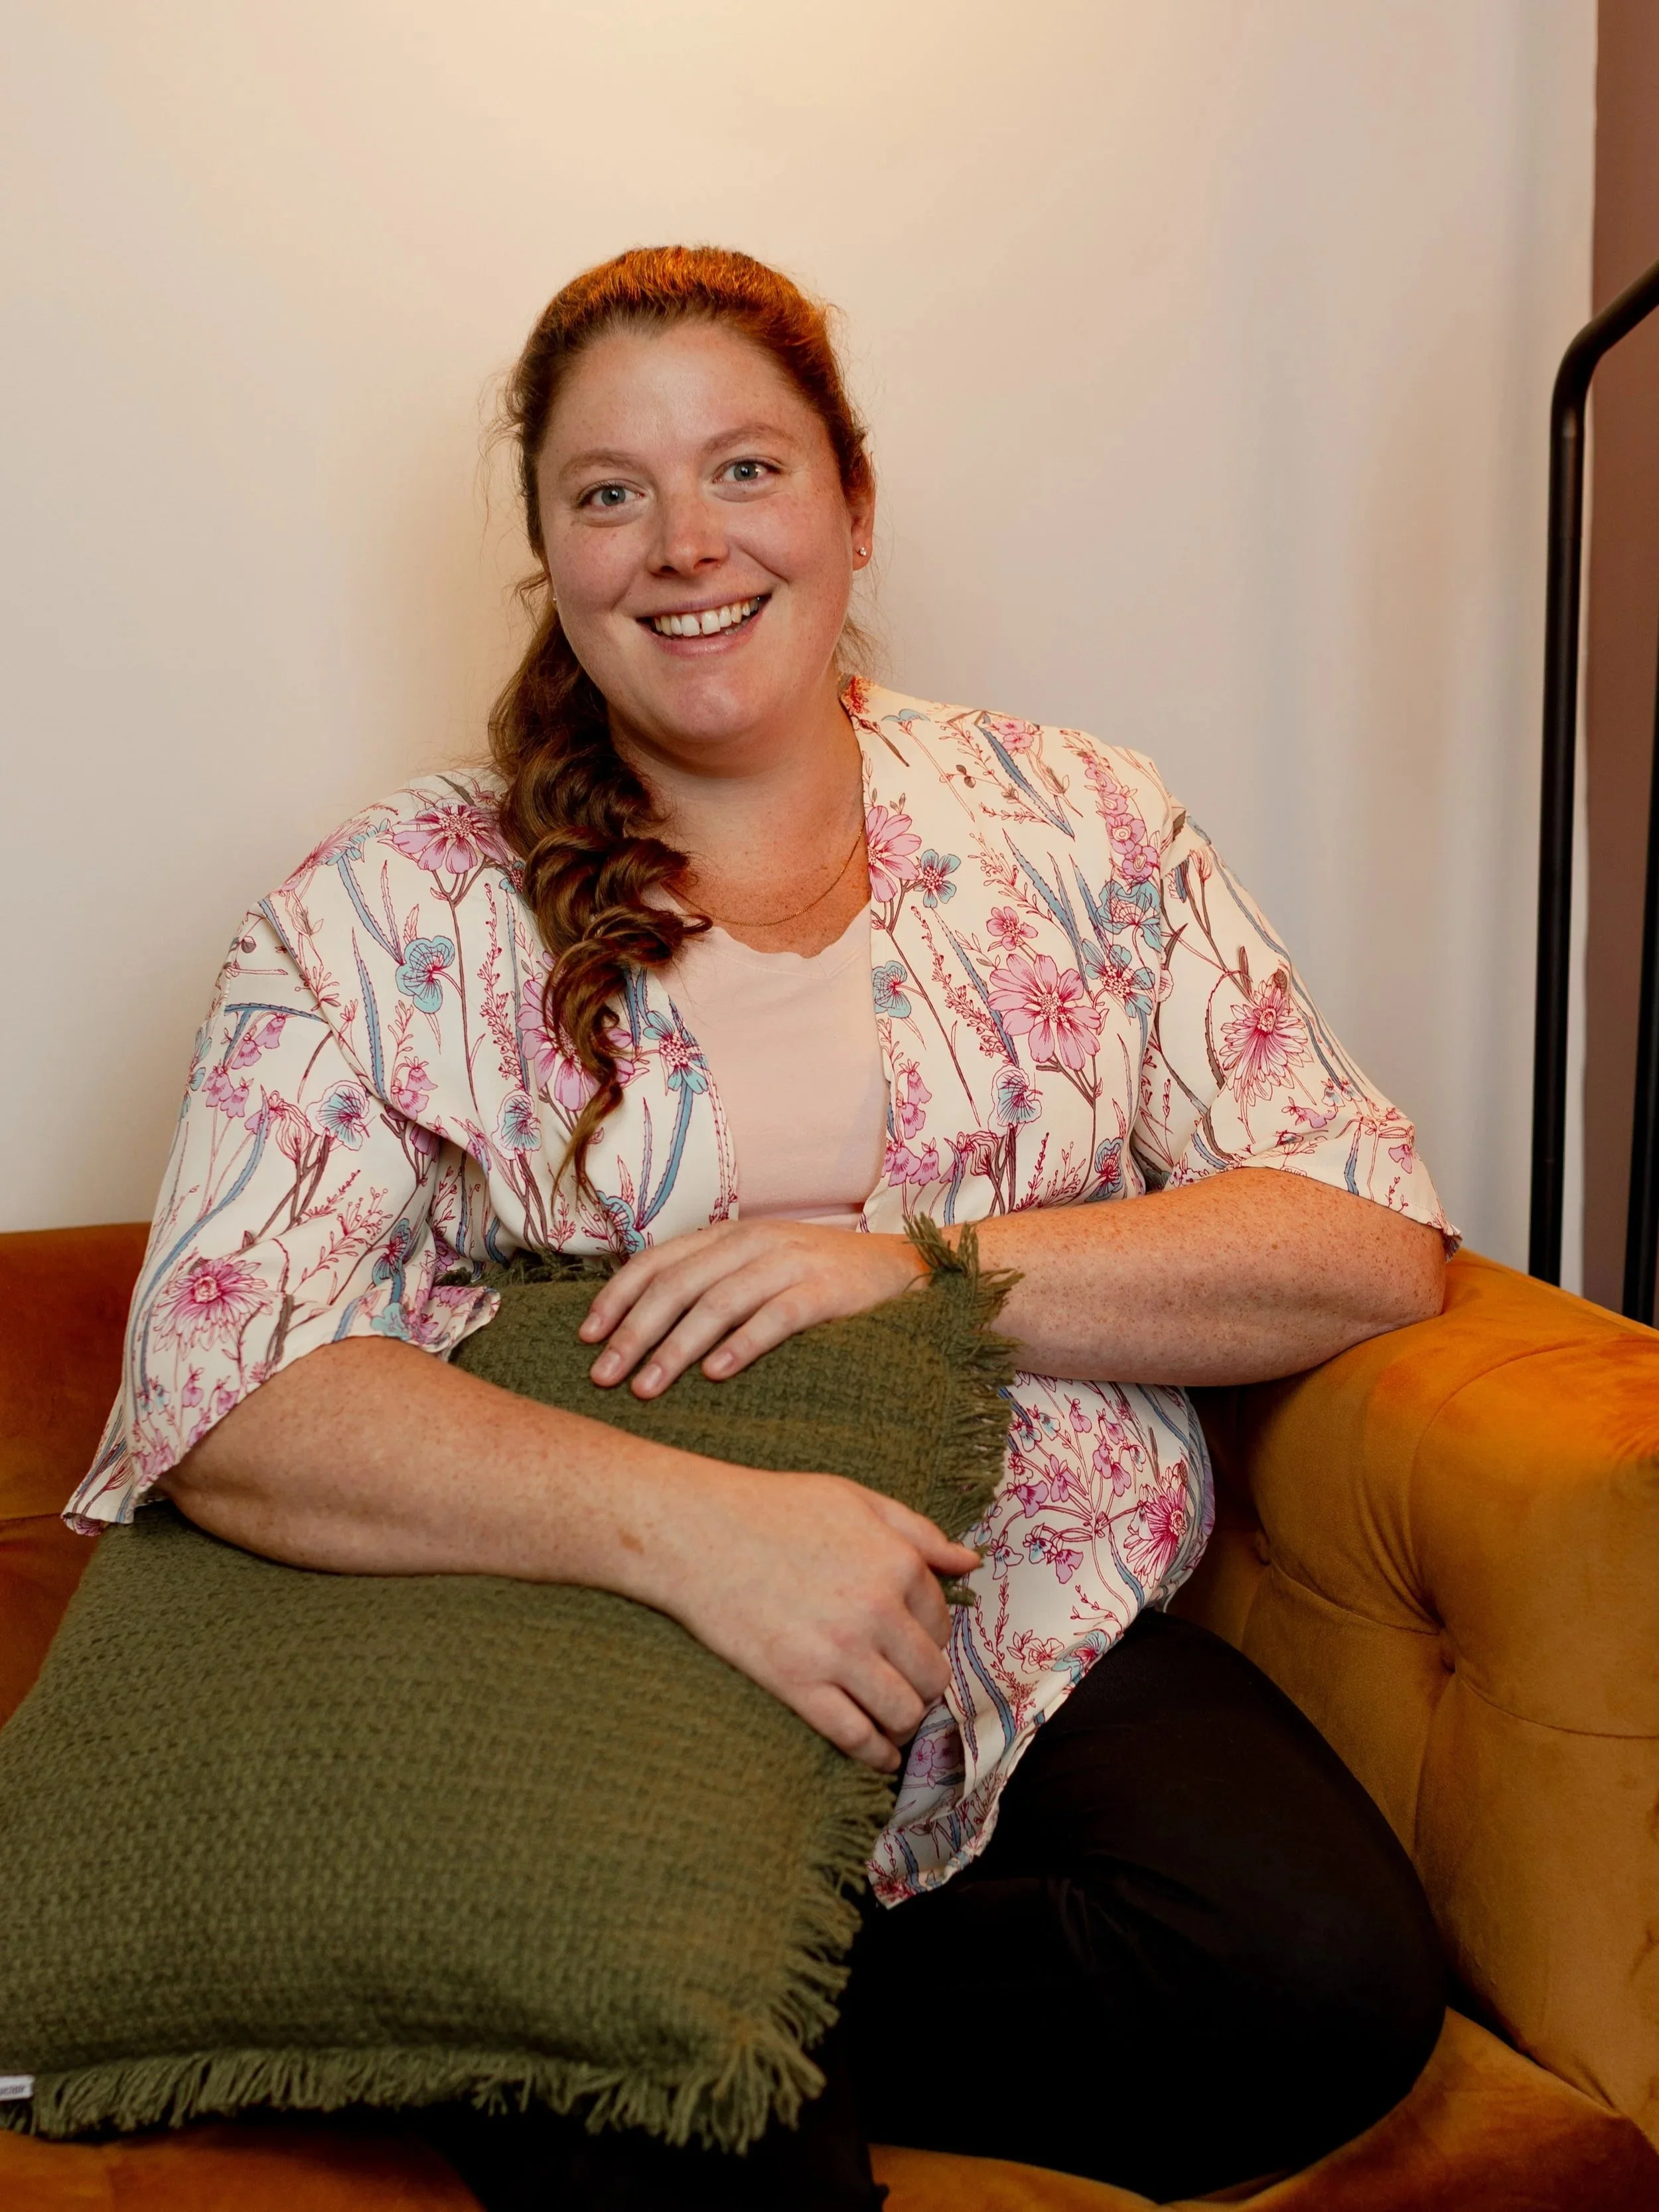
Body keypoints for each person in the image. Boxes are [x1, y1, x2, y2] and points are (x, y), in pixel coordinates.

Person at [77, 246, 1453, 2207]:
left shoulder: (1080, 824)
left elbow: (1361, 1235)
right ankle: (605, 2017)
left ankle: (630, 2009)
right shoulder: (380, 910)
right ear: (549, 550)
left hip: (1017, 1597)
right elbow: (225, 1391)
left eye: (743, 468)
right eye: (607, 491)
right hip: (567, 1649)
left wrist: (925, 1271)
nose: (680, 542)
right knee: (715, 2161)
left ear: (851, 502)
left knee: (1314, 1980)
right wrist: (712, 1537)